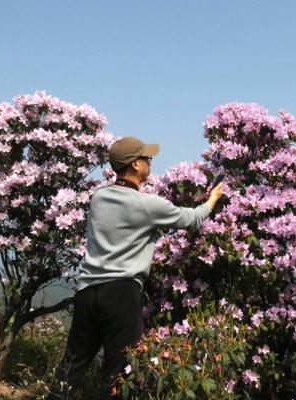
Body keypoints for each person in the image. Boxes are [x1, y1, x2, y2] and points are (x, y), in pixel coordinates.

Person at [52, 136, 223, 399]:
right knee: (118, 370)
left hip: (87, 291)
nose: (149, 163)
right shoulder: (147, 204)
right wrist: (212, 199)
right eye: (146, 159)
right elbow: (192, 219)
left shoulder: (99, 197)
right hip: (120, 293)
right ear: (134, 165)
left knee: (73, 363)